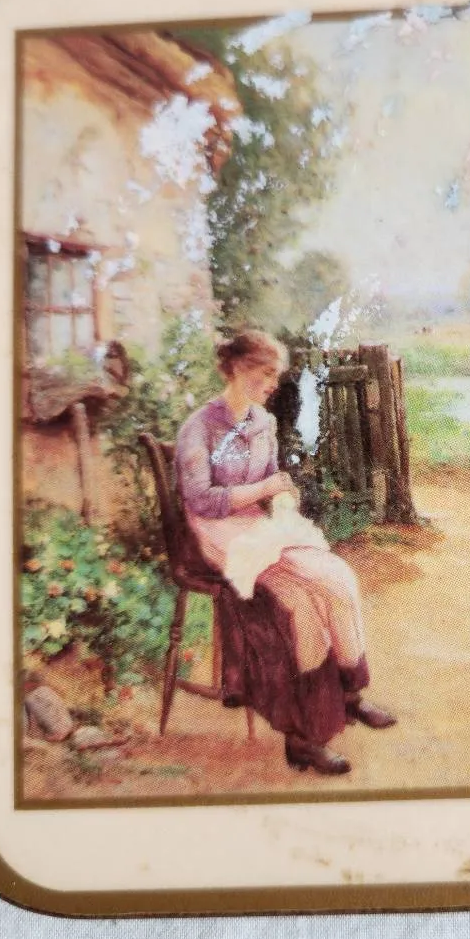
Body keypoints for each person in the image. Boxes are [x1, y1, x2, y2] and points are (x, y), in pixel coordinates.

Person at [175, 330, 395, 776]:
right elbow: (201, 500)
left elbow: (273, 479)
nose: (274, 383)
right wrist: (264, 490)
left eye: (277, 374)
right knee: (297, 601)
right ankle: (305, 736)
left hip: (256, 527)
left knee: (336, 578)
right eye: (267, 373)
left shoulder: (264, 423)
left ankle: (349, 694)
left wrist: (281, 500)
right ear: (239, 369)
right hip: (215, 534)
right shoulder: (199, 427)